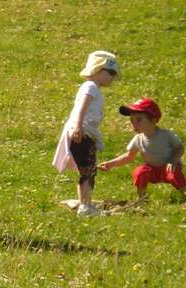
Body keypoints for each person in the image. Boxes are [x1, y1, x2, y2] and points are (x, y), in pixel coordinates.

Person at [52, 50, 121, 217]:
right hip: (81, 132)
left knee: (88, 169)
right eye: (110, 72)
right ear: (98, 70)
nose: (112, 77)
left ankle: (86, 203)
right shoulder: (90, 87)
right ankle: (85, 206)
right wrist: (77, 126)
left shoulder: (94, 88)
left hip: (85, 132)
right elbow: (81, 106)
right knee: (88, 170)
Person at [98, 98, 186, 201]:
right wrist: (110, 164)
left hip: (169, 166)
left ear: (153, 120)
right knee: (140, 172)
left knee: (174, 175)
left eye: (139, 120)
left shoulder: (166, 135)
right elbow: (128, 156)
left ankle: (184, 194)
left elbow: (180, 148)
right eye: (132, 120)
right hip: (152, 169)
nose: (134, 124)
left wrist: (173, 161)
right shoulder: (138, 139)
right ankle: (142, 198)